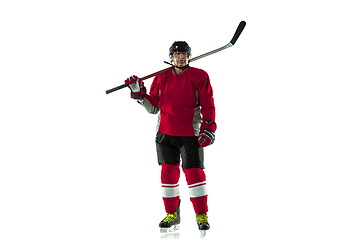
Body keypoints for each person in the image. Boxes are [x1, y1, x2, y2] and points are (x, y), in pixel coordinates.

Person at [124, 41, 216, 233]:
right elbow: (154, 107)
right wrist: (139, 94)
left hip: (191, 135)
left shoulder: (200, 76)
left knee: (195, 175)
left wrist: (209, 126)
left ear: (189, 56)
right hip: (165, 135)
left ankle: (201, 215)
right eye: (177, 55)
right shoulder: (161, 76)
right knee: (167, 175)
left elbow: (208, 104)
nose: (180, 57)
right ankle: (172, 214)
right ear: (171, 57)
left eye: (184, 54)